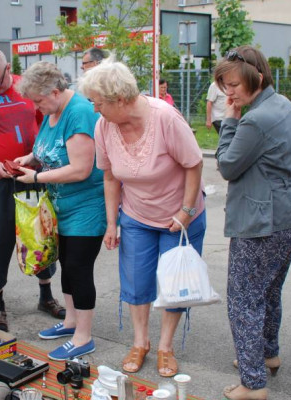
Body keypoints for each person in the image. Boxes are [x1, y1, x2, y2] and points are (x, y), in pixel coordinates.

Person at [79, 58, 206, 378]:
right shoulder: (103, 126)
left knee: (175, 285)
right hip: (136, 215)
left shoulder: (165, 118)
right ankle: (141, 342)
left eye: (97, 102)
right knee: (135, 282)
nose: (95, 109)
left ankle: (165, 346)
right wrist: (112, 222)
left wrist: (186, 212)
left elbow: (194, 164)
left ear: (119, 99)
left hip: (180, 215)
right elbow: (110, 177)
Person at [214, 46, 291, 400]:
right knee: (268, 291)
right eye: (225, 85)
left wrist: (230, 119)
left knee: (243, 299)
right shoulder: (281, 103)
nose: (230, 93)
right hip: (289, 212)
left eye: (235, 85)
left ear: (257, 77)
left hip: (262, 218)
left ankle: (253, 384)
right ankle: (267, 354)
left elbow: (227, 165)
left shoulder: (254, 119)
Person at [0, 48, 65, 332]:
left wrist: (38, 157)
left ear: (8, 68)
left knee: (41, 235)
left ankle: (46, 296)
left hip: (32, 176)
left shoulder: (27, 89)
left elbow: (45, 125)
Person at [12, 61, 106, 360]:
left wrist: (36, 177)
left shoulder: (78, 112)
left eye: (39, 101)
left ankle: (83, 337)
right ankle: (70, 321)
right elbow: (49, 147)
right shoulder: (52, 111)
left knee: (79, 268)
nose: (37, 108)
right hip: (59, 206)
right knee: (66, 263)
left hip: (85, 206)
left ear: (55, 91)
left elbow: (80, 169)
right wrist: (29, 158)